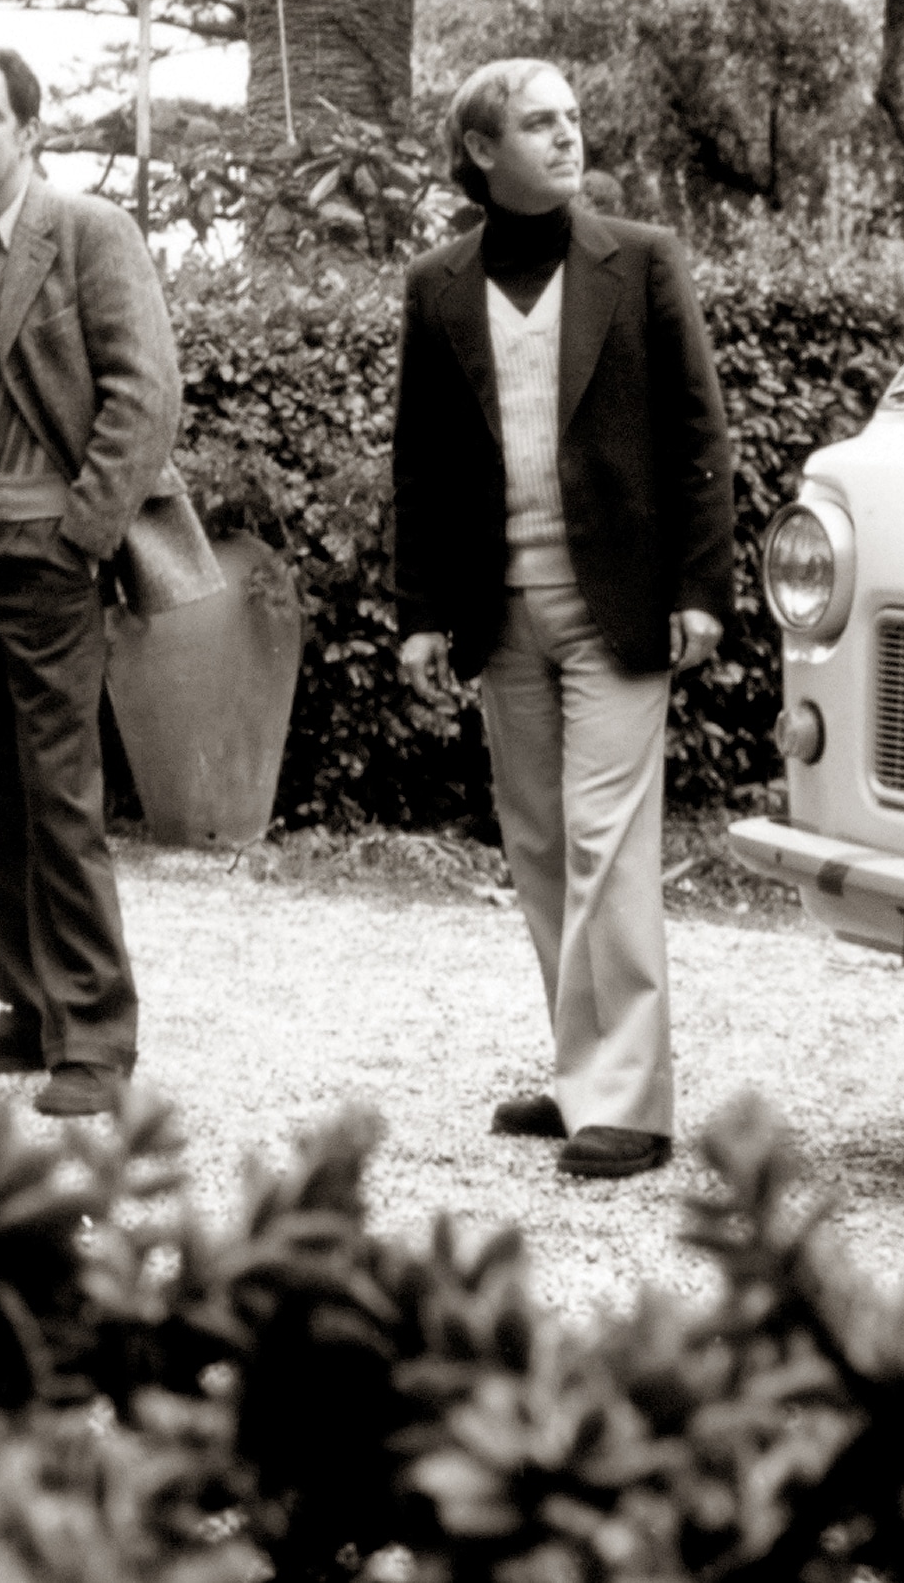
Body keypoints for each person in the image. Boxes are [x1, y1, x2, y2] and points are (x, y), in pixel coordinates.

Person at [392, 59, 734, 1181]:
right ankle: (583, 1069)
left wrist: (700, 589)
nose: (566, 136)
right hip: (499, 611)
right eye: (539, 123)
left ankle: (627, 1100)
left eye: (572, 119)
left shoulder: (639, 260)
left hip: (618, 606)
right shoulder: (436, 285)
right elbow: (420, 463)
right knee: (539, 846)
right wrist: (420, 611)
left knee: (604, 840)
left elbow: (698, 436)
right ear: (480, 150)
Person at [0, 46, 181, 1119]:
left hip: (45, 555)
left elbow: (144, 395)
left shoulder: (87, 231)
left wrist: (79, 536)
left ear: (28, 130)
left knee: (60, 797)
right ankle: (25, 1008)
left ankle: (93, 1038)